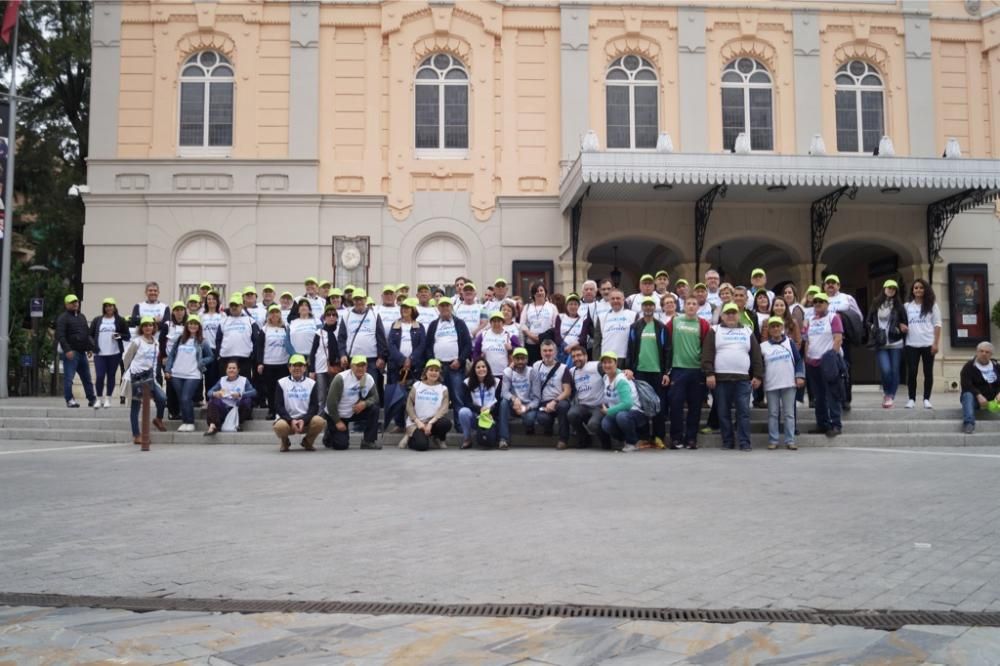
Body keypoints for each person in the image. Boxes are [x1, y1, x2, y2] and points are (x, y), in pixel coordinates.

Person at [703, 303, 764, 451]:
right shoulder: (714, 330)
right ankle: (728, 441)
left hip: (743, 380)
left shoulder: (747, 331)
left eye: (733, 313)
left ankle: (744, 443)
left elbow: (756, 355)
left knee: (743, 412)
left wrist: (757, 375)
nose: (730, 316)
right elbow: (707, 353)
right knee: (723, 412)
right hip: (721, 380)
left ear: (738, 315)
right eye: (727, 313)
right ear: (722, 316)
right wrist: (709, 373)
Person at [625, 296, 671, 448]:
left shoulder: (661, 327)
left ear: (655, 307)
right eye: (646, 305)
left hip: (657, 372)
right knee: (642, 405)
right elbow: (630, 350)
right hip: (640, 372)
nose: (648, 308)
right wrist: (630, 368)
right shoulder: (635, 327)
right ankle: (644, 437)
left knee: (659, 405)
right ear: (642, 308)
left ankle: (658, 436)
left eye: (651, 305)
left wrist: (666, 372)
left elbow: (667, 350)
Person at [666, 297, 711, 449]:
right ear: (684, 306)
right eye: (688, 304)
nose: (691, 306)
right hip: (678, 369)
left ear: (698, 307)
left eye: (694, 304)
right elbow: (664, 339)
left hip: (697, 370)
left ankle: (691, 438)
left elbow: (707, 346)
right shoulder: (675, 321)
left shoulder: (703, 324)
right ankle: (676, 438)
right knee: (676, 405)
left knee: (695, 407)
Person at [802, 292, 845, 437]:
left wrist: (831, 356)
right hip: (812, 363)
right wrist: (807, 357)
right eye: (815, 302)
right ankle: (822, 424)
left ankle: (836, 424)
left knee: (832, 394)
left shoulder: (833, 317)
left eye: (821, 301)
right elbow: (807, 340)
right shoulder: (810, 320)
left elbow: (838, 339)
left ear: (827, 303)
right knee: (818, 396)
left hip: (827, 363)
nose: (818, 304)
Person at [424, 296, 472, 423]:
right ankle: (437, 425)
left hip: (455, 366)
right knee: (438, 398)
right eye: (442, 306)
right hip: (438, 368)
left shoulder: (460, 323)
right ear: (438, 308)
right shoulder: (433, 325)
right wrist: (433, 363)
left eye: (447, 305)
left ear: (451, 307)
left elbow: (467, 345)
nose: (445, 308)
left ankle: (460, 425)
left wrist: (460, 360)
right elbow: (428, 346)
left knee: (457, 397)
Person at [761, 316, 805, 450]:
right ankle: (773, 440)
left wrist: (799, 376)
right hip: (771, 384)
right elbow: (759, 365)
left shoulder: (790, 343)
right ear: (768, 329)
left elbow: (798, 361)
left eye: (778, 326)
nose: (775, 329)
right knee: (773, 414)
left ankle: (790, 440)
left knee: (789, 414)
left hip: (789, 383)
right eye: (772, 326)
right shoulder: (763, 346)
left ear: (782, 328)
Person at [165, 315, 214, 432]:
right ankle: (185, 422)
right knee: (182, 399)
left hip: (193, 374)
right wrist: (168, 369)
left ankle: (190, 422)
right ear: (187, 325)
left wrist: (201, 362)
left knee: (186, 397)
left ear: (199, 326)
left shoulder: (202, 341)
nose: (193, 326)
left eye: (195, 323)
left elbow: (211, 356)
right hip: (177, 374)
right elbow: (171, 355)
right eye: (190, 323)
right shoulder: (180, 339)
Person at [122, 316, 168, 443]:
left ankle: (158, 419)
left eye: (150, 325)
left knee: (162, 398)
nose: (148, 327)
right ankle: (137, 435)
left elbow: (154, 363)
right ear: (141, 328)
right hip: (136, 377)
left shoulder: (156, 343)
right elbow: (127, 358)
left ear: (154, 327)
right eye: (145, 325)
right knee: (136, 406)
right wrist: (128, 372)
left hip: (149, 378)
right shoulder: (137, 342)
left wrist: (155, 379)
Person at [866, 279, 909, 408]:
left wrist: (898, 329)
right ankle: (886, 392)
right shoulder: (876, 303)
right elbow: (868, 321)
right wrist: (874, 329)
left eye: (893, 288)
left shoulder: (899, 306)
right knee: (886, 370)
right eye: (889, 288)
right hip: (881, 342)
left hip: (896, 342)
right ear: (884, 289)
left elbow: (905, 323)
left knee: (895, 371)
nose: (891, 290)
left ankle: (890, 396)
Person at [338, 289, 388, 398]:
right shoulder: (346, 315)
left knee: (371, 390)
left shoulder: (374, 314)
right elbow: (341, 337)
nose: (359, 302)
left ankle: (372, 414)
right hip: (352, 359)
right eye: (356, 299)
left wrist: (381, 357)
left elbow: (381, 337)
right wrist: (342, 354)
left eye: (361, 299)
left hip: (371, 360)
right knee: (352, 390)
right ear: (353, 300)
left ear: (365, 300)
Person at [823, 274, 863, 410]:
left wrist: (844, 320)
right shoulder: (820, 299)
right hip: (825, 340)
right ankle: (830, 398)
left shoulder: (847, 298)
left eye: (833, 283)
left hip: (843, 339)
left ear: (838, 285)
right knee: (828, 368)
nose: (830, 285)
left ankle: (846, 398)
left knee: (845, 368)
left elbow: (858, 317)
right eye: (828, 283)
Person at [386, 298, 426, 431]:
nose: (405, 310)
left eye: (408, 308)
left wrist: (411, 359)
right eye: (403, 308)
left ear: (413, 310)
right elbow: (390, 345)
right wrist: (403, 360)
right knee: (397, 396)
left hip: (414, 367)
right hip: (396, 366)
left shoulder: (419, 327)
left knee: (413, 396)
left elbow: (422, 345)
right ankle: (399, 424)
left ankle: (412, 421)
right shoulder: (395, 325)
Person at [324, 356, 380, 449]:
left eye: (363, 365)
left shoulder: (368, 378)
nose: (361, 368)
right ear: (351, 367)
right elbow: (331, 403)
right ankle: (329, 433)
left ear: (366, 367)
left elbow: (375, 397)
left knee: (374, 409)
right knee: (341, 446)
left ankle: (368, 441)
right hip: (337, 414)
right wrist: (337, 421)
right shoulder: (340, 378)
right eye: (357, 365)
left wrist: (364, 404)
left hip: (354, 411)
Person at [272, 354, 325, 452]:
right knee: (280, 426)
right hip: (287, 420)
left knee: (319, 421)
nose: (297, 368)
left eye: (300, 365)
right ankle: (285, 442)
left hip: (305, 420)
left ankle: (308, 442)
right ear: (289, 367)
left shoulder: (311, 383)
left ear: (305, 368)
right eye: (294, 365)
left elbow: (314, 406)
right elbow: (278, 405)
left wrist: (303, 420)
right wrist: (290, 420)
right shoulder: (281, 382)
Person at [597, 351, 647, 453]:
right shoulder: (605, 377)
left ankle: (633, 442)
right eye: (604, 363)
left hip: (635, 412)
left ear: (616, 363)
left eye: (610, 362)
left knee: (621, 416)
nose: (607, 365)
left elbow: (627, 404)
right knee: (605, 423)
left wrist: (609, 411)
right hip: (619, 412)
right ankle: (625, 440)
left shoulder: (621, 379)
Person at [904, 279, 942, 409]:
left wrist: (935, 343)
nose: (918, 290)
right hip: (911, 344)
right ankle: (911, 399)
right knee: (912, 372)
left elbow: (937, 325)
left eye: (921, 287)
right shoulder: (907, 306)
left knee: (928, 372)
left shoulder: (932, 305)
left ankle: (926, 399)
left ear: (925, 289)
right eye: (916, 288)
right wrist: (901, 326)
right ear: (912, 290)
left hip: (928, 343)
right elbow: (900, 320)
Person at [56, 294, 97, 408]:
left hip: (82, 353)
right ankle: (69, 400)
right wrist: (67, 350)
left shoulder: (82, 317)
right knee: (69, 378)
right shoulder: (63, 318)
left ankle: (92, 399)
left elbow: (86, 334)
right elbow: (61, 336)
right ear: (66, 304)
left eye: (76, 302)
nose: (75, 304)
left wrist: (89, 347)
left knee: (87, 378)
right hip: (71, 353)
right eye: (72, 302)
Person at [402, 359, 452, 451]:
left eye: (436, 371)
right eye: (431, 370)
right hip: (416, 423)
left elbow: (444, 409)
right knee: (422, 446)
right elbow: (409, 406)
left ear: (439, 373)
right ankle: (410, 436)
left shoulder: (443, 388)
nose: (434, 373)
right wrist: (418, 422)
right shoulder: (417, 385)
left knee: (446, 423)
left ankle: (438, 438)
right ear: (426, 372)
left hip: (433, 422)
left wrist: (430, 422)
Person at [89, 297, 130, 408]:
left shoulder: (120, 320)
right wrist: (92, 347)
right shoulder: (97, 320)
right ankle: (99, 399)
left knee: (111, 376)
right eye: (106, 306)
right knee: (100, 376)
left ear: (114, 307)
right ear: (104, 308)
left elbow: (127, 336)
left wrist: (118, 336)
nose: (109, 308)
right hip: (99, 353)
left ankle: (108, 399)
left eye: (111, 306)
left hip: (115, 353)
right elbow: (90, 335)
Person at [532, 339, 573, 449]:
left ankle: (563, 439)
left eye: (550, 350)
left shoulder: (563, 368)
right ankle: (548, 428)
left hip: (559, 400)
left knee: (563, 406)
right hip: (543, 402)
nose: (547, 353)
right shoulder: (536, 366)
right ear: (541, 352)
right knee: (542, 419)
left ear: (555, 352)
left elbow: (567, 391)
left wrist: (555, 402)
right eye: (545, 350)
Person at [257, 305, 296, 419]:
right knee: (270, 389)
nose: (274, 315)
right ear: (269, 315)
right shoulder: (264, 329)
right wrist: (260, 363)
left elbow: (290, 344)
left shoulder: (285, 328)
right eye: (272, 313)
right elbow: (259, 347)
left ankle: (281, 412)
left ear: (280, 314)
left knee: (282, 389)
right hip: (268, 363)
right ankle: (271, 411)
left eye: (276, 312)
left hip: (283, 364)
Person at [566, 345, 605, 448]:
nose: (576, 358)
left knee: (593, 424)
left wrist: (625, 372)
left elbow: (613, 371)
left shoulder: (596, 366)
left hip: (599, 405)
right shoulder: (572, 371)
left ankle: (605, 441)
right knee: (571, 414)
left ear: (586, 356)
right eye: (573, 356)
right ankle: (584, 438)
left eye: (579, 355)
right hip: (583, 405)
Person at [204, 360, 257, 436]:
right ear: (226, 370)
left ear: (238, 370)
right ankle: (213, 425)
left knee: (247, 400)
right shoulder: (222, 380)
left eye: (234, 368)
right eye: (229, 368)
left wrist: (240, 394)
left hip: (238, 408)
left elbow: (254, 392)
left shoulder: (244, 380)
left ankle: (237, 423)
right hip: (224, 408)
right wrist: (215, 393)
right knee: (213, 400)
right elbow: (209, 392)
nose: (231, 370)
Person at [500, 347, 539, 449]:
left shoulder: (532, 372)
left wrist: (526, 408)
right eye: (517, 359)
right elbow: (504, 392)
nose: (520, 361)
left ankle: (529, 427)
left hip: (528, 405)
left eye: (523, 358)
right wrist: (514, 399)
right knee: (503, 402)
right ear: (513, 359)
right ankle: (503, 439)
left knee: (529, 420)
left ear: (527, 359)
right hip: (514, 404)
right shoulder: (508, 372)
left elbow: (536, 398)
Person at [458, 359, 502, 448]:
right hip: (476, 416)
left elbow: (499, 402)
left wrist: (490, 410)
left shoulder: (496, 382)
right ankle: (467, 439)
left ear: (488, 368)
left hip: (491, 416)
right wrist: (479, 409)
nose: (481, 369)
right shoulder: (467, 382)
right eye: (478, 367)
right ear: (474, 370)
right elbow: (467, 403)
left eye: (483, 367)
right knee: (463, 411)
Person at [216, 295, 260, 382]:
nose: (234, 307)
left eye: (236, 305)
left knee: (244, 385)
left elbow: (256, 340)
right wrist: (218, 355)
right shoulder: (223, 321)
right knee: (225, 385)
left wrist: (253, 355)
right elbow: (218, 340)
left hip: (244, 359)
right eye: (232, 305)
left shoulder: (250, 320)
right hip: (226, 358)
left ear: (242, 306)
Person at [959, 342, 999, 434]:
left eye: (987, 352)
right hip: (975, 399)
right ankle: (969, 423)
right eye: (981, 351)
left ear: (991, 355)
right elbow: (966, 385)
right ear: (977, 352)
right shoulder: (969, 366)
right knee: (967, 395)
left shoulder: (996, 366)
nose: (984, 354)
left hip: (994, 399)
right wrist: (978, 395)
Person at [592, 289, 637, 367]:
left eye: (618, 298)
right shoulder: (602, 317)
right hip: (606, 358)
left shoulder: (633, 315)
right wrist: (597, 361)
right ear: (609, 300)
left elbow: (636, 341)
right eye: (613, 299)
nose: (615, 301)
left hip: (625, 359)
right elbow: (597, 342)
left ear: (623, 300)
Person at [308, 304, 341, 409]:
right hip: (321, 368)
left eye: (333, 315)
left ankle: (334, 419)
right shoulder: (319, 332)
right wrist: (312, 370)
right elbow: (313, 352)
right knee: (321, 396)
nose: (331, 317)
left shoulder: (340, 331)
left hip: (337, 367)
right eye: (328, 315)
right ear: (324, 317)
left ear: (336, 317)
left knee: (335, 395)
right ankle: (320, 420)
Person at [160, 301, 189, 420]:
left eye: (181, 310)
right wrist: (163, 357)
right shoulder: (167, 324)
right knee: (171, 385)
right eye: (177, 310)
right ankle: (172, 411)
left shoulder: (188, 324)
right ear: (173, 312)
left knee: (181, 386)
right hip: (169, 360)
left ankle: (181, 411)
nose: (179, 312)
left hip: (184, 359)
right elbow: (161, 341)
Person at [520, 282, 559, 364]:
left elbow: (556, 325)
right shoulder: (527, 307)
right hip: (531, 343)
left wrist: (541, 337)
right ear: (533, 294)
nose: (539, 293)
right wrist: (532, 335)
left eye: (541, 290)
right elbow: (522, 324)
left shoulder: (552, 307)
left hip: (547, 343)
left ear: (545, 293)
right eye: (536, 291)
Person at [473, 310, 519, 378]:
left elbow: (520, 351)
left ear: (503, 323)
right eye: (494, 321)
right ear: (490, 323)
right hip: (487, 374)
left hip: (505, 374)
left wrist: (512, 348)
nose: (496, 323)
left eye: (499, 321)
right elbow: (476, 352)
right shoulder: (483, 335)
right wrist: (479, 364)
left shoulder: (510, 335)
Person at [200, 291, 224, 403]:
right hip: (206, 349)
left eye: (213, 299)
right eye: (208, 299)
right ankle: (208, 399)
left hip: (218, 349)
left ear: (217, 301)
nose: (211, 301)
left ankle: (217, 399)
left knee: (218, 376)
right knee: (208, 376)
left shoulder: (222, 316)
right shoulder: (201, 315)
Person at [555, 293, 589, 364]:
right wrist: (565, 347)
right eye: (570, 304)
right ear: (566, 306)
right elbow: (557, 336)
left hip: (577, 352)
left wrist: (571, 347)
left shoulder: (583, 319)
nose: (573, 306)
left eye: (575, 304)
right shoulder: (560, 317)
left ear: (579, 306)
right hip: (562, 351)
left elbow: (583, 338)